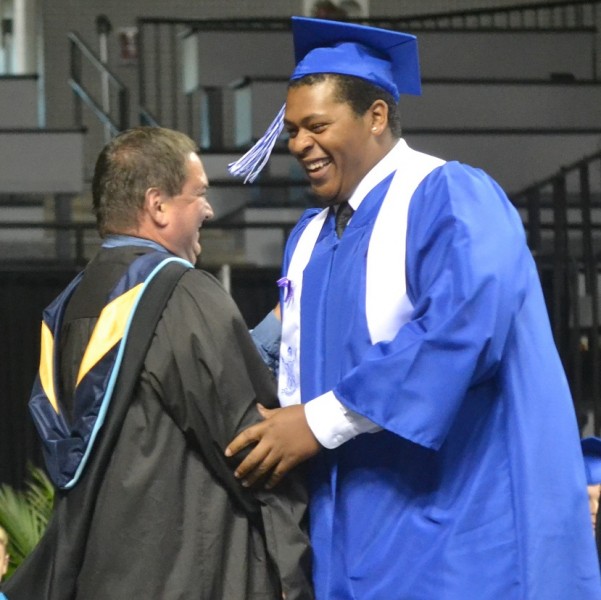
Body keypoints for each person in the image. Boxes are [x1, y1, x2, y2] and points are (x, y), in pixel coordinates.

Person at [225, 16, 601, 599]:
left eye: (317, 126)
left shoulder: (449, 195)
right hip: (344, 531)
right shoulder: (309, 236)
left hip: (454, 525)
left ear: (376, 116)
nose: (298, 144)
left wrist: (317, 422)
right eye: (293, 130)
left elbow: (462, 329)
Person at [1, 126, 312, 600]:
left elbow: (151, 402)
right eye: (199, 194)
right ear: (158, 205)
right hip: (192, 576)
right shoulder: (184, 293)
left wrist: (268, 334)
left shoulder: (70, 306)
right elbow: (251, 447)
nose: (209, 209)